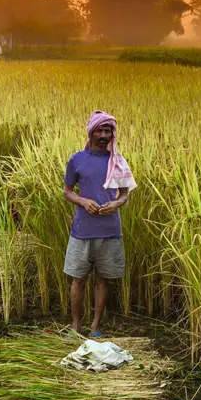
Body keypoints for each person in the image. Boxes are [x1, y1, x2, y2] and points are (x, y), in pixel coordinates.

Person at [63, 110, 136, 337]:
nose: (104, 135)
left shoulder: (118, 162)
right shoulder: (77, 160)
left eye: (108, 130)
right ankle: (76, 326)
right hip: (82, 230)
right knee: (78, 278)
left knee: (103, 279)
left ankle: (95, 326)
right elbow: (67, 192)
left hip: (109, 230)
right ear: (91, 132)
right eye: (100, 130)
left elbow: (124, 195)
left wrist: (116, 204)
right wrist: (83, 201)